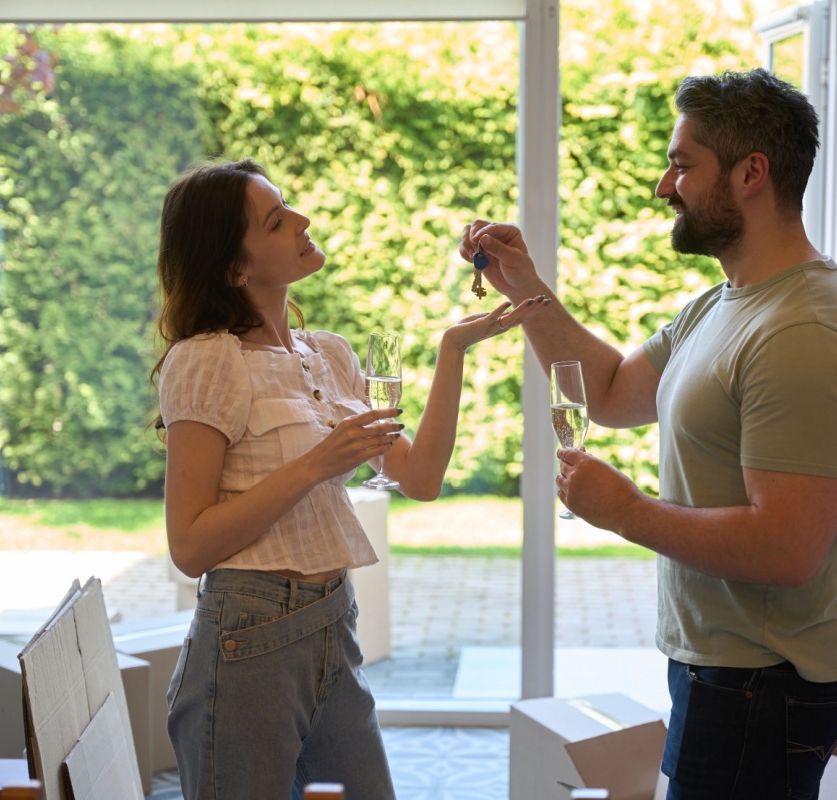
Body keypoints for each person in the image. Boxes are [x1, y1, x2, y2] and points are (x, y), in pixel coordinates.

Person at [461, 69, 837, 799]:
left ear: (752, 173)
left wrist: (625, 511)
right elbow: (613, 391)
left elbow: (788, 548)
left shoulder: (802, 332)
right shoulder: (728, 302)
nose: (665, 185)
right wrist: (525, 288)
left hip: (764, 683)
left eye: (683, 163)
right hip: (727, 673)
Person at [152, 157, 547, 800]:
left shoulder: (326, 354)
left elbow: (420, 477)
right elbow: (191, 546)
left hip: (333, 621)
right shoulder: (204, 361)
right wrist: (316, 466)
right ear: (235, 268)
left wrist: (453, 350)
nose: (303, 221)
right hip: (246, 638)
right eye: (277, 221)